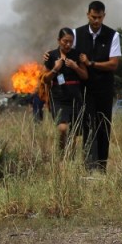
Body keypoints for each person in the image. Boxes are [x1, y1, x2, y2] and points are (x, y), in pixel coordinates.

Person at [74, 0, 122, 171]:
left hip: (104, 89)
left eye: (99, 17)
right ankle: (88, 167)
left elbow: (113, 64)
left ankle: (101, 167)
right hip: (84, 89)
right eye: (93, 17)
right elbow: (66, 54)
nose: (96, 21)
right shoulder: (76, 34)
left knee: (103, 126)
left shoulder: (113, 36)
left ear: (104, 16)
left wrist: (91, 63)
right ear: (88, 14)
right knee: (87, 126)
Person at [43, 28, 89, 156]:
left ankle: (70, 159)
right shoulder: (51, 56)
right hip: (58, 97)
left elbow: (85, 76)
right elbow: (45, 79)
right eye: (65, 41)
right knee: (62, 128)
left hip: (75, 96)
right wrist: (55, 69)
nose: (68, 44)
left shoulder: (77, 55)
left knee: (73, 133)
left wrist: (75, 67)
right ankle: (62, 153)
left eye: (70, 42)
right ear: (59, 41)